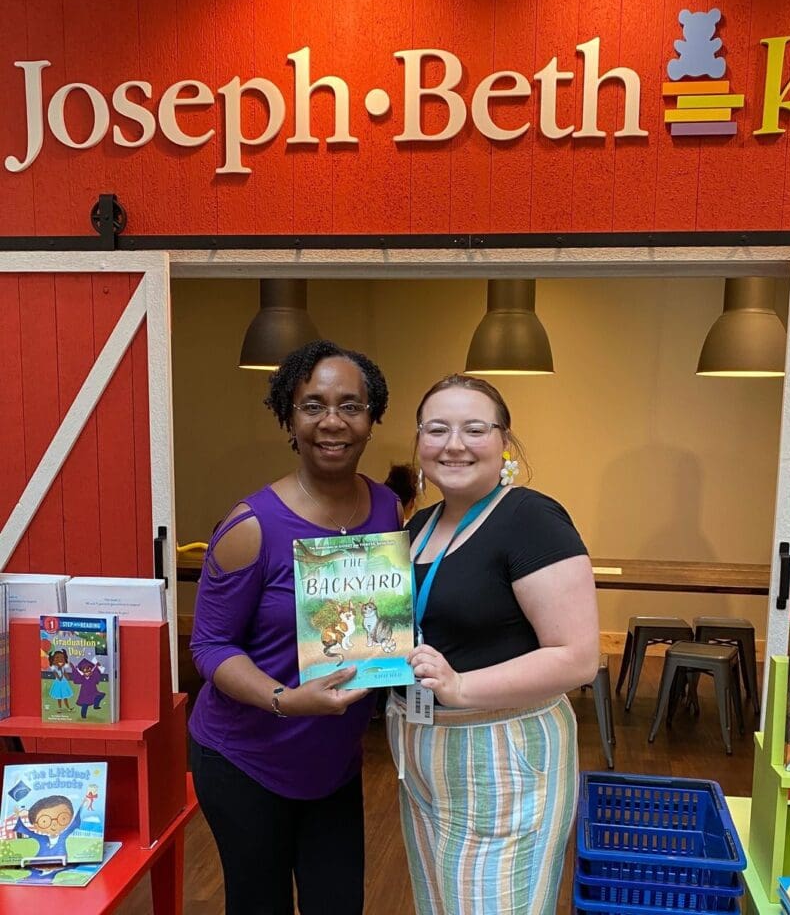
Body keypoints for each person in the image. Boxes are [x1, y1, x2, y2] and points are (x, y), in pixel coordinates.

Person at [189, 339, 401, 915]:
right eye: (313, 405)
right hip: (246, 759)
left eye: (350, 405)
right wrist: (285, 700)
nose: (332, 421)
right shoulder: (250, 527)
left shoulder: (387, 510)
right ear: (289, 417)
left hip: (332, 761)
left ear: (371, 419)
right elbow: (209, 645)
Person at [386, 373, 599, 915]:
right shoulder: (419, 526)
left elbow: (578, 657)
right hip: (423, 755)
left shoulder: (532, 519)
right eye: (437, 429)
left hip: (502, 760)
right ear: (418, 442)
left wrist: (460, 685)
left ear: (504, 441)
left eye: (474, 429)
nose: (453, 444)